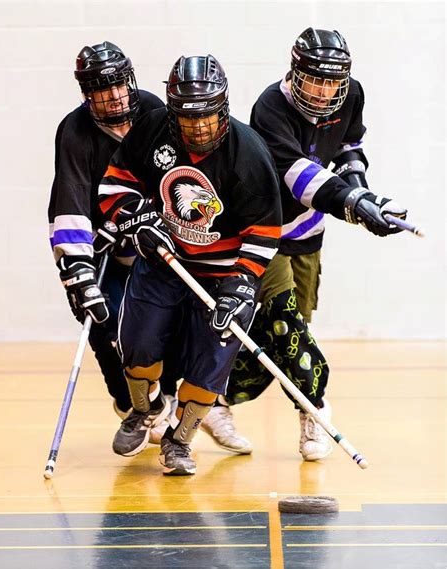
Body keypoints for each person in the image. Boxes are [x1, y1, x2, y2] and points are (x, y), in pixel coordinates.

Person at [221, 27, 408, 461]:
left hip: (307, 231)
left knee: (289, 330)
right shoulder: (270, 106)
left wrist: (363, 188)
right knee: (288, 327)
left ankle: (216, 401)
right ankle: (315, 408)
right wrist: (356, 204)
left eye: (332, 82)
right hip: (262, 228)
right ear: (295, 73)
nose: (324, 92)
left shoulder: (350, 94)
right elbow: (299, 175)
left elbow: (349, 147)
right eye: (315, 80)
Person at [97, 54, 282, 475]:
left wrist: (242, 284)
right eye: (187, 118)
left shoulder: (248, 152)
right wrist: (133, 218)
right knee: (137, 348)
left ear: (224, 107)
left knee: (209, 367)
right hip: (165, 262)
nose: (198, 127)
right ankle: (145, 409)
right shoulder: (152, 129)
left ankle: (180, 441)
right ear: (171, 111)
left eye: (208, 117)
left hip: (224, 276)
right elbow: (114, 184)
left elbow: (266, 231)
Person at [48, 41, 167, 421]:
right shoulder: (74, 131)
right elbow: (69, 196)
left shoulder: (154, 112)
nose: (115, 96)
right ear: (87, 94)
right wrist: (78, 269)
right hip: (104, 248)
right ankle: (131, 404)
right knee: (103, 321)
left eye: (119, 85)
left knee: (167, 322)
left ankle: (170, 396)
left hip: (154, 241)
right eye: (103, 89)